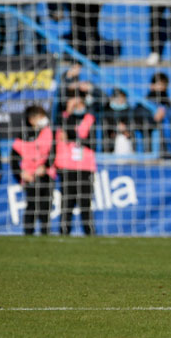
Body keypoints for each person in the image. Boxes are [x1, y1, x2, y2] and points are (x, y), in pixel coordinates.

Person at [55, 88, 97, 236]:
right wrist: (68, 111)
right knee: (67, 203)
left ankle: (90, 233)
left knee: (85, 204)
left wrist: (74, 138)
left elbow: (91, 142)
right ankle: (64, 232)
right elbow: (63, 131)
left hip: (85, 167)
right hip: (67, 167)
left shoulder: (90, 118)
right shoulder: (64, 118)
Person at [11, 105, 55, 236]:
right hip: (30, 177)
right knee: (32, 206)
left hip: (46, 175)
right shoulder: (23, 136)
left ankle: (45, 233)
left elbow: (54, 152)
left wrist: (45, 166)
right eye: (40, 117)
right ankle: (28, 233)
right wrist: (21, 173)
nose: (44, 119)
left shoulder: (48, 132)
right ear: (31, 120)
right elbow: (13, 159)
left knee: (46, 206)